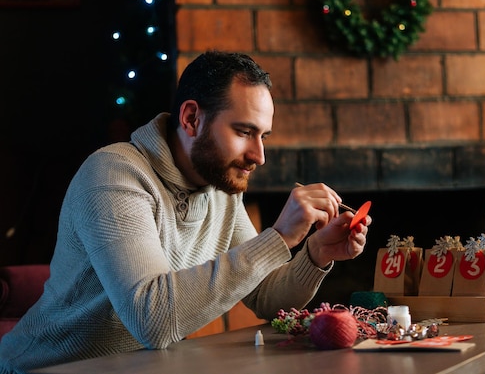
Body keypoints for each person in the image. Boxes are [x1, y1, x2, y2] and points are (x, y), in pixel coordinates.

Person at [0, 50, 371, 374]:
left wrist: (316, 254)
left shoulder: (220, 187)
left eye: (263, 136)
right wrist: (279, 237)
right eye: (244, 131)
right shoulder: (114, 174)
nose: (259, 155)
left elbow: (268, 299)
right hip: (43, 368)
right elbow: (154, 320)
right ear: (192, 118)